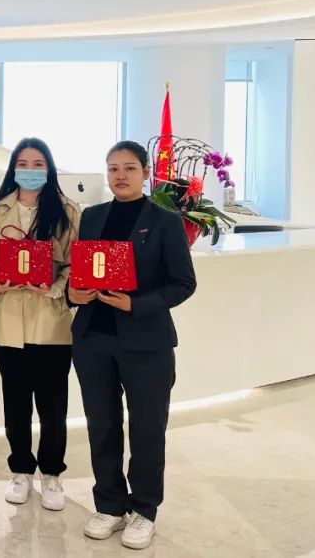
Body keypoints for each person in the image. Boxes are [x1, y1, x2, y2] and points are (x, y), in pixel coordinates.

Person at [69, 141, 196, 550]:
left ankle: (144, 509)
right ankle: (109, 504)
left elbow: (183, 283)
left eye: (128, 167)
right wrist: (74, 293)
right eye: (113, 168)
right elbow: (80, 271)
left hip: (146, 343)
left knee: (146, 428)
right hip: (93, 339)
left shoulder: (165, 221)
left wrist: (135, 304)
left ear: (145, 172)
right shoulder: (92, 216)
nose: (120, 175)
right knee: (101, 425)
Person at [0, 137, 81, 511]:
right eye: (23, 164)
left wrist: (54, 287)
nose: (30, 171)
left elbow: (76, 264)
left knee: (53, 405)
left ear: (49, 169)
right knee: (15, 402)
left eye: (38, 164)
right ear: (13, 168)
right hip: (9, 320)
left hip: (51, 322)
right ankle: (20, 470)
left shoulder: (67, 212)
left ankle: (52, 474)